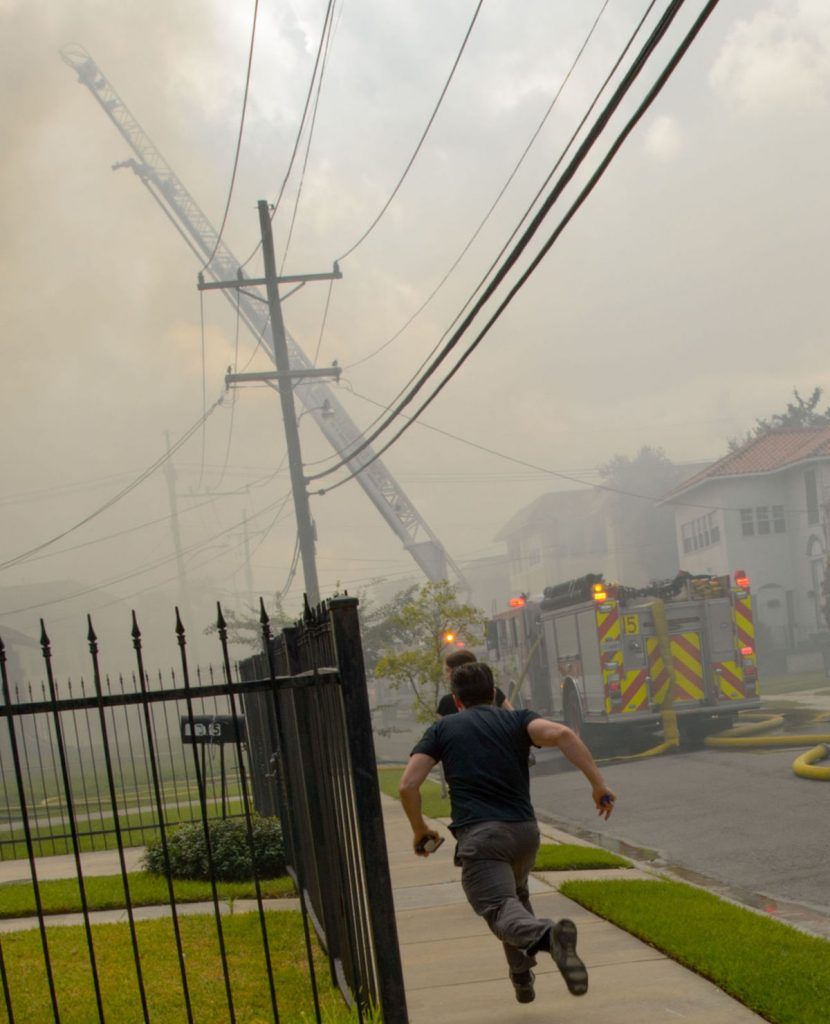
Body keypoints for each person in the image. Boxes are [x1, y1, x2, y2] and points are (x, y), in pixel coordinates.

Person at [399, 661, 615, 1006]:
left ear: (456, 700)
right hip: (525, 834)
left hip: (482, 837)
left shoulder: (443, 730)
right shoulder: (518, 719)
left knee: (498, 907)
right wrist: (598, 785)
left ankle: (548, 936)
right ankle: (521, 977)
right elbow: (564, 735)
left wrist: (420, 828)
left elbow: (408, 785)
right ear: (494, 694)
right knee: (514, 899)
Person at [436, 648, 513, 717]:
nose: (445, 675)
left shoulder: (447, 702)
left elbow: (439, 730)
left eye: (448, 670)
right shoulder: (493, 692)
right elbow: (514, 718)